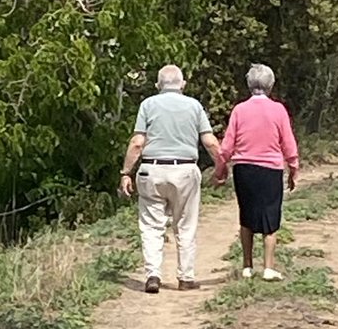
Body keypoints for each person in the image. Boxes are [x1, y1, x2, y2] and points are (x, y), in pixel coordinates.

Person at [118, 64, 223, 294]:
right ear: (182, 85)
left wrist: (126, 172)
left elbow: (137, 142)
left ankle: (153, 274)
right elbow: (210, 142)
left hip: (151, 170)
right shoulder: (194, 106)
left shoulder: (148, 105)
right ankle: (185, 277)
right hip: (185, 170)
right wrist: (221, 166)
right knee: (185, 224)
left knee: (151, 225)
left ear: (158, 85)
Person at [214, 63, 299, 282]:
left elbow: (227, 144)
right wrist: (293, 166)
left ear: (249, 84)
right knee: (271, 217)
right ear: (270, 85)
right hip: (270, 168)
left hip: (244, 169)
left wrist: (221, 167)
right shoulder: (278, 109)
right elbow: (287, 141)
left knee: (247, 216)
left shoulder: (239, 110)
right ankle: (269, 267)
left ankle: (247, 266)